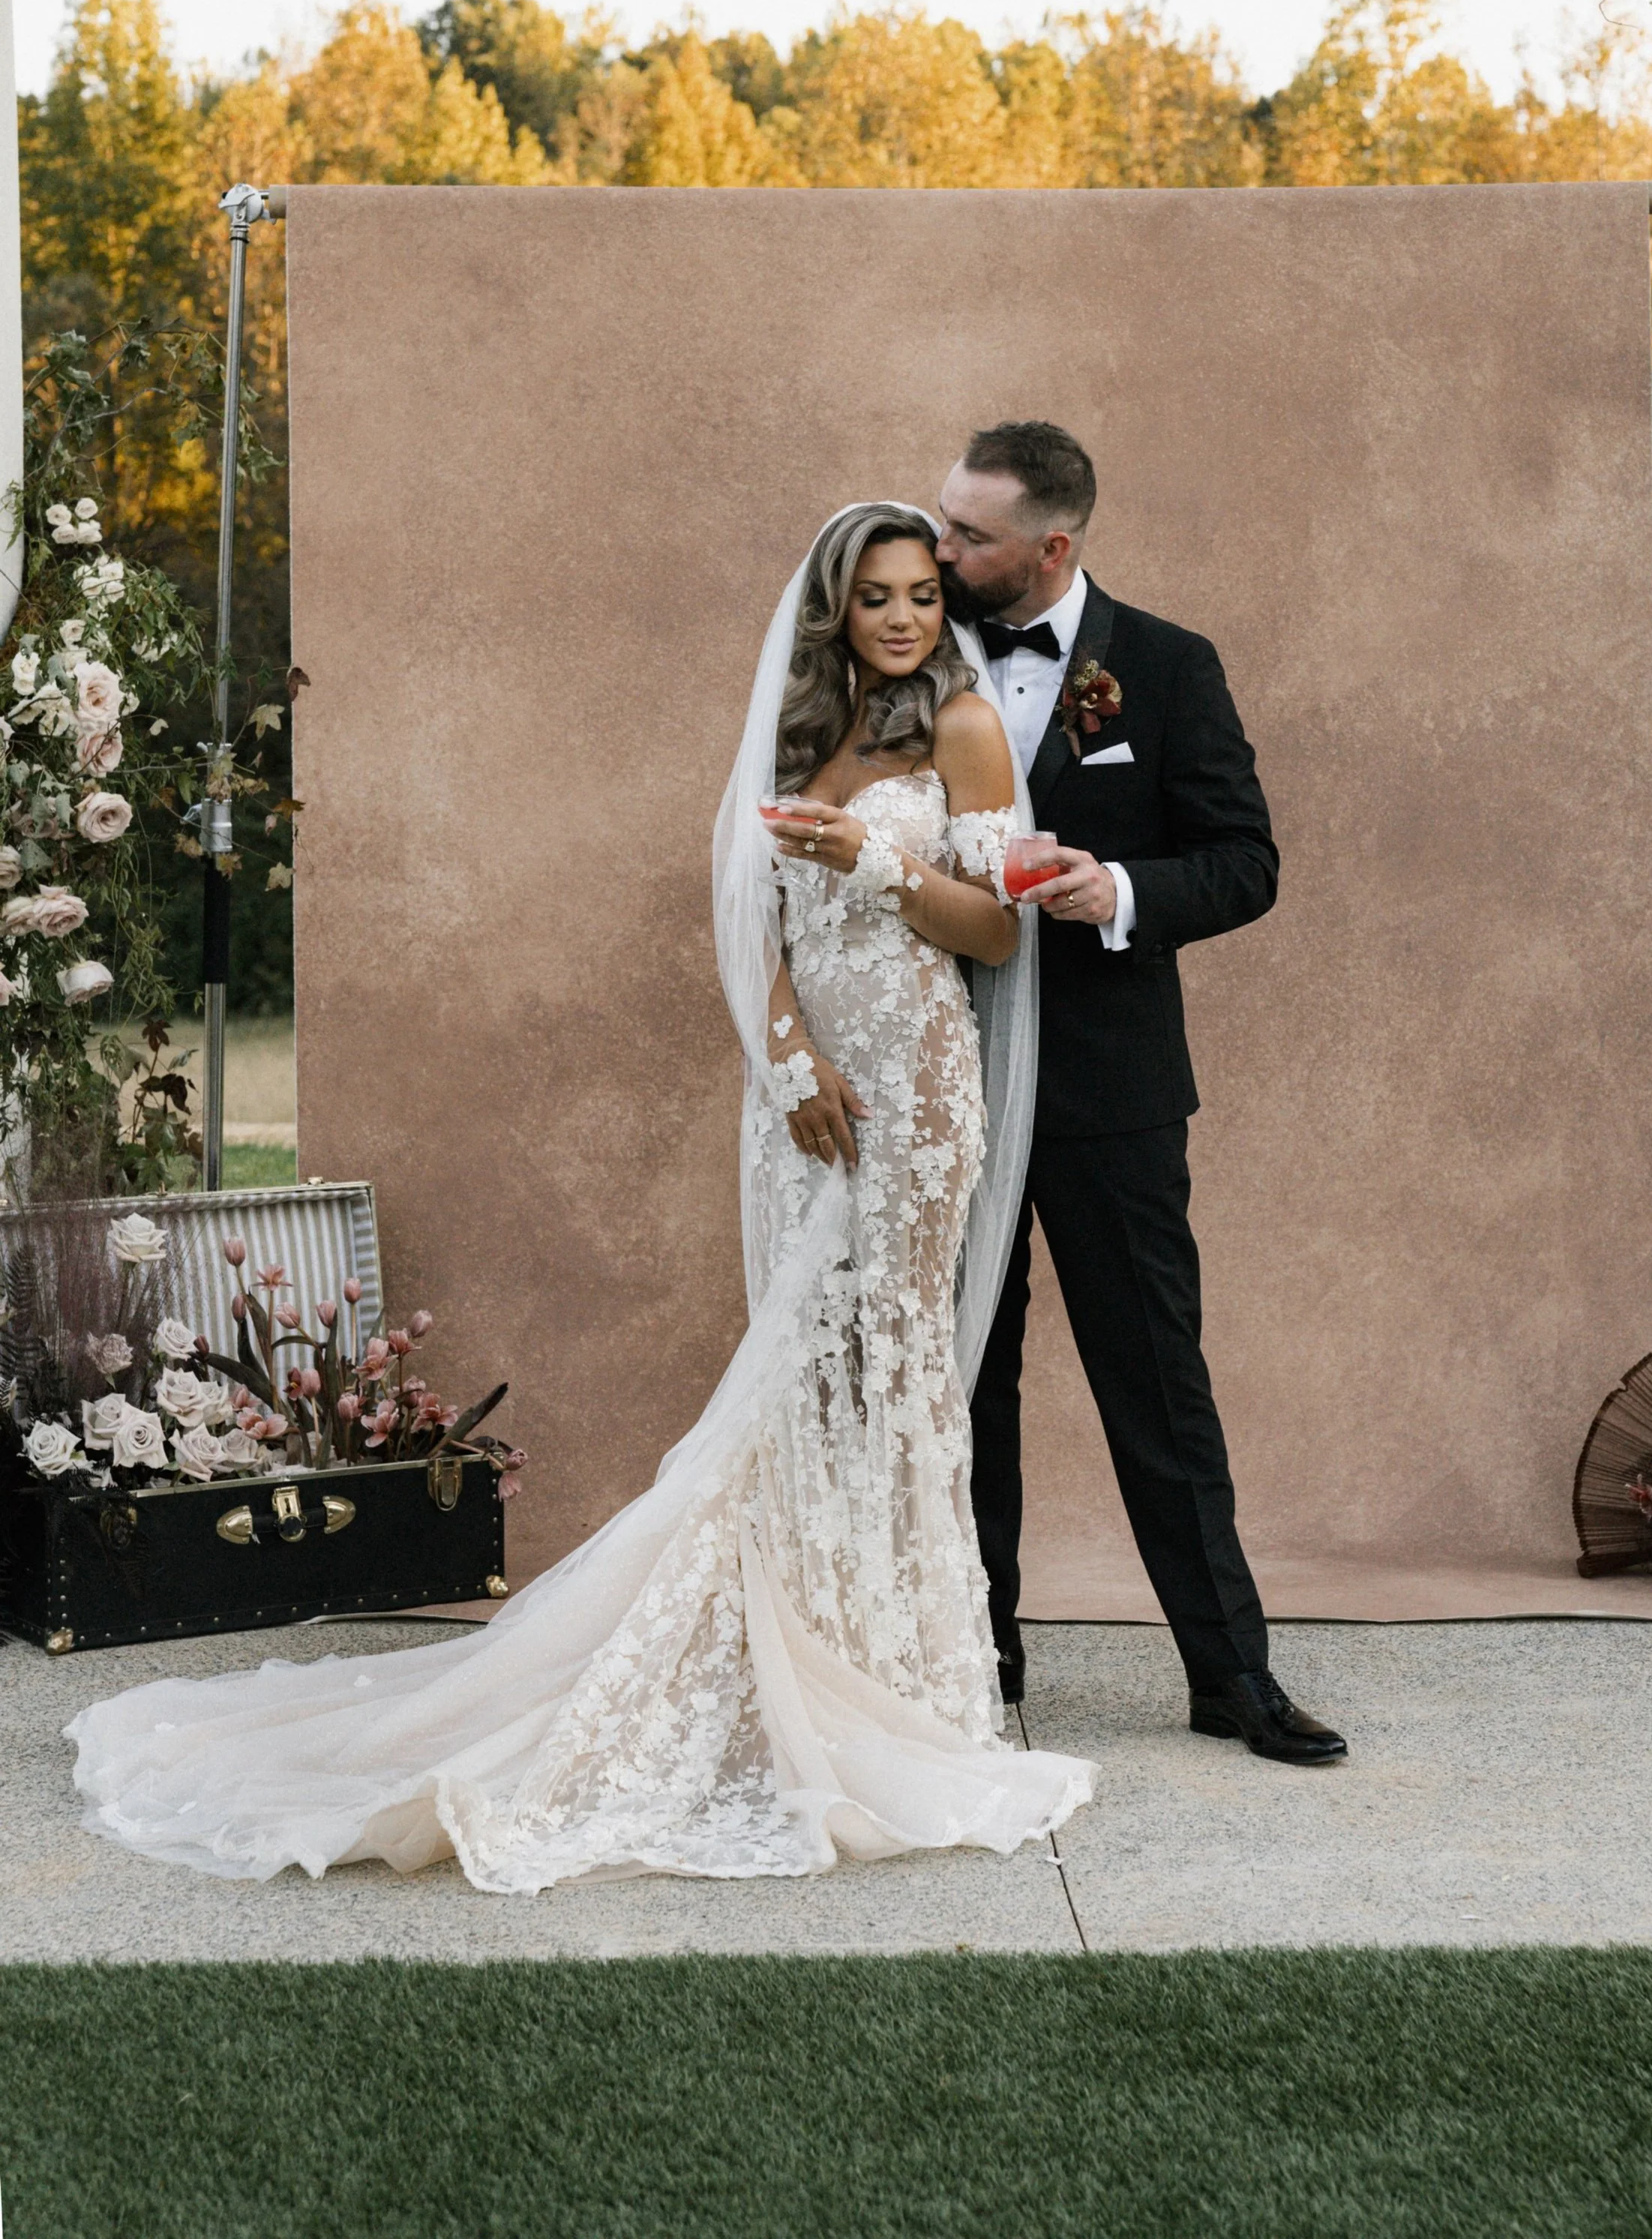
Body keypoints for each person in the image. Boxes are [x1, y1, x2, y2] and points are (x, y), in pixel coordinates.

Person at [66, 505, 1093, 1888]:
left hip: (915, 1094)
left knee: (889, 1367)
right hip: (805, 1100)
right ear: (836, 612)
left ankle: (898, 1673)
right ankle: (796, 1653)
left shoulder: (961, 728)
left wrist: (882, 865)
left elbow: (997, 932)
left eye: (921, 593)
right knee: (803, 1374)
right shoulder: (801, 738)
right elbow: (754, 925)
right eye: (876, 598)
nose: (904, 618)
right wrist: (789, 1060)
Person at [937, 423, 1347, 1766]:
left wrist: (1116, 890)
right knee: (964, 1381)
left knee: (1158, 1383)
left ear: (1052, 545)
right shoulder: (913, 649)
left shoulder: (1169, 666)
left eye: (971, 535)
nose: (942, 551)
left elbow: (1245, 860)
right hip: (943, 1083)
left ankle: (1232, 1674)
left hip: (1111, 1093)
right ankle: (977, 1662)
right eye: (944, 522)